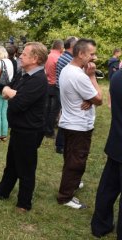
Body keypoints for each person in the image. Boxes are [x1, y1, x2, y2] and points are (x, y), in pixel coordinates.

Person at [0, 42, 48, 212]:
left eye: (25, 54)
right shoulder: (24, 74)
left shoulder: (39, 79)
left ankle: (24, 204)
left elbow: (18, 103)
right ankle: (1, 192)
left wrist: (10, 93)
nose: (20, 56)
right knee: (12, 163)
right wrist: (9, 91)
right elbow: (8, 89)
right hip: (19, 128)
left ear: (35, 59)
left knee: (26, 167)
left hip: (29, 131)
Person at [57, 38, 102, 209]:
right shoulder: (80, 75)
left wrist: (88, 99)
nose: (94, 58)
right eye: (91, 54)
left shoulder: (68, 70)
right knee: (76, 161)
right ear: (81, 54)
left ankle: (73, 183)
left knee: (71, 158)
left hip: (70, 123)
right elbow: (99, 99)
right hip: (79, 126)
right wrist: (92, 77)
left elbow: (84, 96)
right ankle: (65, 196)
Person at [91, 69, 122, 239]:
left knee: (108, 187)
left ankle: (100, 225)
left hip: (116, 141)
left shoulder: (117, 76)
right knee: (108, 187)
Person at [55, 37, 78, 154]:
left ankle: (62, 144)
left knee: (65, 116)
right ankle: (60, 145)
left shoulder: (64, 56)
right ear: (73, 46)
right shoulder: (68, 60)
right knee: (66, 117)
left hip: (62, 90)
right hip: (65, 92)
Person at [44, 39, 64, 138]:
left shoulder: (48, 56)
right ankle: (49, 131)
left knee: (46, 108)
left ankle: (44, 128)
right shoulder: (59, 58)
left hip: (47, 84)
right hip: (56, 85)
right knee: (54, 110)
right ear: (60, 47)